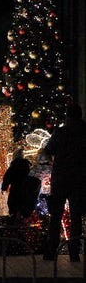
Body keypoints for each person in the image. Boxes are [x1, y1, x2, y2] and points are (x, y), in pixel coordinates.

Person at [42, 102, 86, 262]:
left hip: (61, 178)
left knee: (56, 216)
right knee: (76, 217)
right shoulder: (84, 132)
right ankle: (74, 253)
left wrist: (55, 162)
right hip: (80, 179)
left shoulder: (61, 132)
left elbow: (48, 150)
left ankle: (51, 251)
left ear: (67, 115)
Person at [1, 148, 32, 221]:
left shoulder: (13, 166)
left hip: (15, 187)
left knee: (12, 203)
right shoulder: (27, 165)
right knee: (22, 203)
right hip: (25, 188)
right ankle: (21, 216)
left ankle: (14, 216)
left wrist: (4, 187)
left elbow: (7, 177)